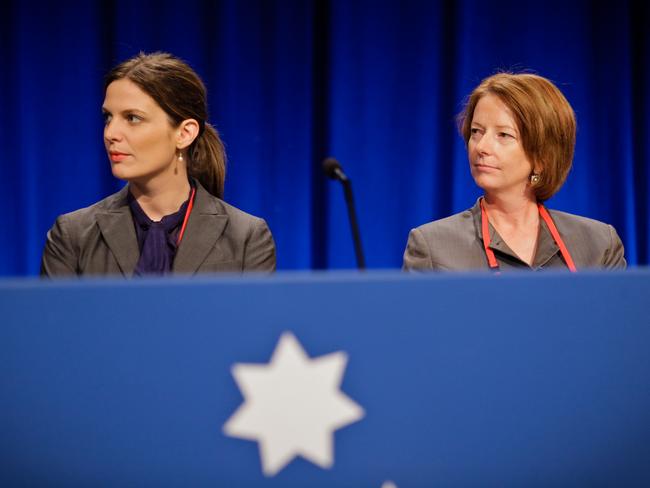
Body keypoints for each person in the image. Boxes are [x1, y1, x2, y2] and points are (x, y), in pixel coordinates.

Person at [41, 52, 276, 277]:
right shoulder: (72, 235)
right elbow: (49, 319)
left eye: (133, 118)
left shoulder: (247, 237)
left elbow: (256, 319)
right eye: (108, 117)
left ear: (184, 133)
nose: (111, 133)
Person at [403, 72, 625, 272]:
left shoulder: (599, 244)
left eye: (503, 135)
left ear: (542, 156)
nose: (481, 147)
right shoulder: (432, 247)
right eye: (476, 131)